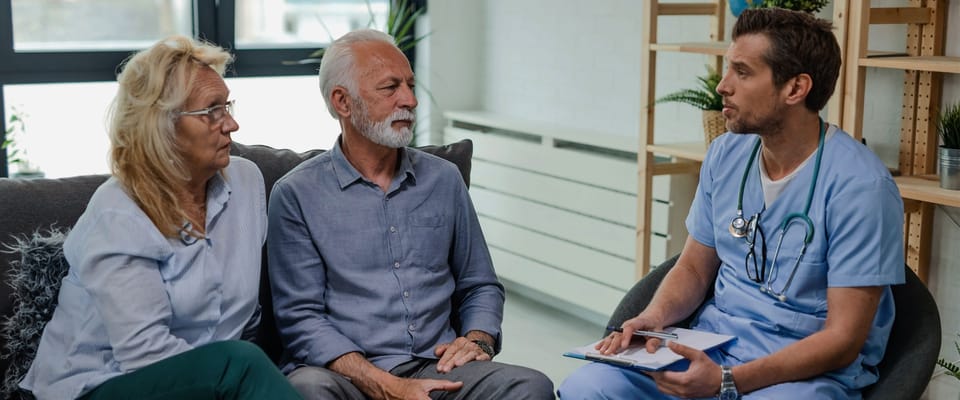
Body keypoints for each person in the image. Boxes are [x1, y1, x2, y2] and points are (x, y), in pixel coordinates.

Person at [559, 8, 904, 399]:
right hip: (713, 345)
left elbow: (843, 339)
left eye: (742, 72)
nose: (723, 86)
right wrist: (653, 319)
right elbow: (692, 267)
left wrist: (729, 381)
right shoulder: (726, 154)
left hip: (799, 374)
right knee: (589, 387)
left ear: (795, 89)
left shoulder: (861, 187)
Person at [267, 29, 555, 400]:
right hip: (345, 374)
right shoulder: (295, 194)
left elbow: (480, 283)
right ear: (343, 102)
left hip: (439, 367)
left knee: (532, 387)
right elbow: (300, 318)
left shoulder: (444, 179)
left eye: (410, 84)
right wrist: (387, 385)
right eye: (390, 88)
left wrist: (478, 340)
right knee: (307, 390)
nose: (410, 100)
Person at [19, 36, 302, 400]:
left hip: (203, 384)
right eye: (212, 110)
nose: (232, 124)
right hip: (96, 386)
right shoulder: (118, 211)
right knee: (240, 363)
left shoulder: (246, 183)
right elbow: (145, 355)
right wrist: (230, 380)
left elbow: (242, 324)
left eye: (227, 105)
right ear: (162, 125)